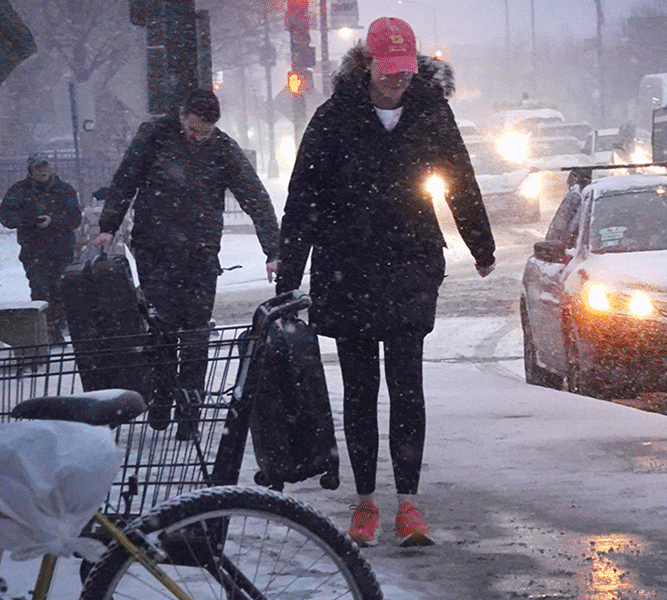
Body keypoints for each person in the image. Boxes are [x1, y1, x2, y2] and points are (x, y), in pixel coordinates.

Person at [275, 17, 495, 548]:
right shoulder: (333, 118)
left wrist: (480, 246)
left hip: (409, 264)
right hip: (346, 267)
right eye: (387, 69)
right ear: (368, 63)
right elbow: (302, 199)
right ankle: (367, 503)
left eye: (404, 70)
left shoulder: (430, 111)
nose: (396, 79)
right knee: (358, 390)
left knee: (407, 387)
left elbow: (460, 178)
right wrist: (288, 274)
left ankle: (410, 505)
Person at [93, 89, 280, 413]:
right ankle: (163, 395)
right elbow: (125, 181)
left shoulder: (222, 149)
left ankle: (189, 407)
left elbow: (255, 198)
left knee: (196, 332)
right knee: (161, 326)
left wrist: (273, 250)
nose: (197, 137)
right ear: (181, 116)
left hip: (201, 251)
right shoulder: (153, 138)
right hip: (155, 248)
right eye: (193, 130)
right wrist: (108, 227)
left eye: (204, 132)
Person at [1, 154, 82, 343]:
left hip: (61, 250)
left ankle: (59, 328)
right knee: (39, 290)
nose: (43, 171)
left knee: (60, 290)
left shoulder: (64, 190)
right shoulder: (19, 191)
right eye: (38, 168)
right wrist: (29, 220)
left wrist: (53, 220)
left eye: (45, 167)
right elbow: (6, 217)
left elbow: (75, 218)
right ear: (31, 170)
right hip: (33, 250)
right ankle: (45, 331)